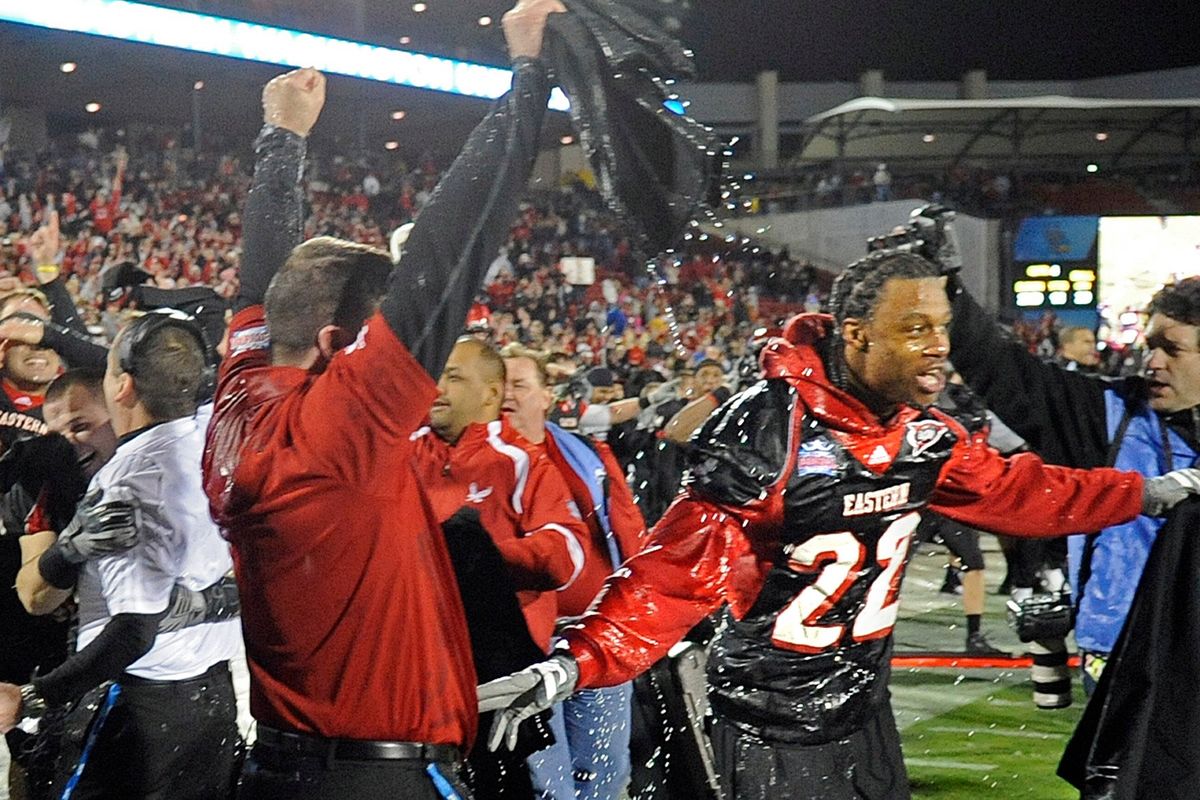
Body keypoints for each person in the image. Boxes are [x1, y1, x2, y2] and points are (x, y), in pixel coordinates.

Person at [478, 250, 1200, 800]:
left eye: (942, 328)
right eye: (914, 329)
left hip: (866, 713)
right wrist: (573, 664)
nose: (939, 347)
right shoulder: (774, 426)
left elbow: (1023, 491)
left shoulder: (923, 434)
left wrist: (1144, 492)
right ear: (856, 336)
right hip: (768, 728)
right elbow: (679, 571)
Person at [201, 2, 562, 796]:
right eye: (375, 341)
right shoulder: (337, 430)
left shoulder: (244, 392)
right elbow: (449, 251)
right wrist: (528, 77)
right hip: (374, 776)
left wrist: (282, 141)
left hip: (285, 765)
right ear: (339, 350)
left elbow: (263, 283)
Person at [0, 313, 243, 800]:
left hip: (131, 694)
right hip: (134, 685)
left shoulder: (134, 474)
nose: (67, 441)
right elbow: (34, 596)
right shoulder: (203, 438)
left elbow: (135, 628)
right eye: (56, 431)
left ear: (120, 397)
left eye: (82, 425)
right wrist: (69, 549)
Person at [949, 267, 1200, 694]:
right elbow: (1006, 372)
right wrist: (948, 289)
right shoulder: (1110, 413)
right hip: (1124, 660)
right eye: (1150, 346)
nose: (1152, 362)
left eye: (1171, 350)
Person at [502, 346, 645, 800]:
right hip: (524, 647)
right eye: (500, 384)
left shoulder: (585, 454)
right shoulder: (480, 460)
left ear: (547, 395)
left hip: (597, 638)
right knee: (548, 784)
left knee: (604, 775)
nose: (507, 394)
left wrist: (634, 613)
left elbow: (628, 530)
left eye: (519, 385)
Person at [411, 337, 589, 653]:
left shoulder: (522, 462)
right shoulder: (400, 451)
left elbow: (568, 552)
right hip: (413, 651)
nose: (437, 387)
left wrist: (479, 557)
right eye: (436, 374)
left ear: (491, 393)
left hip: (495, 665)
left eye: (454, 377)